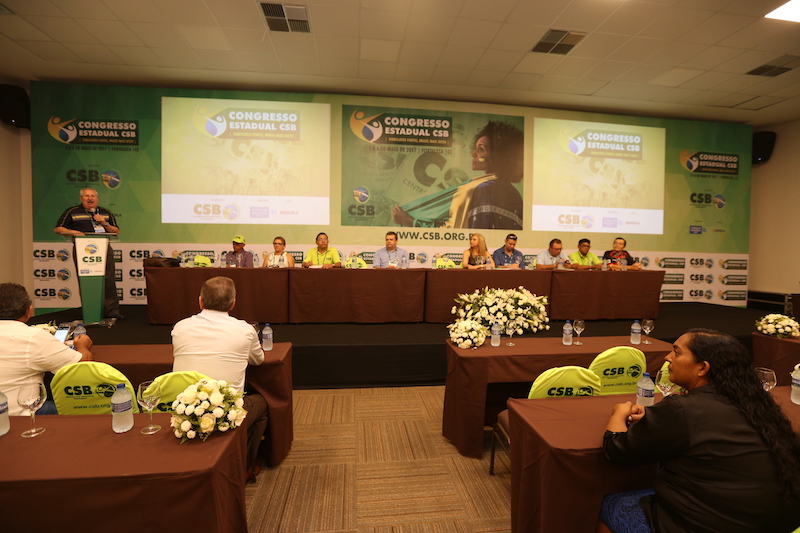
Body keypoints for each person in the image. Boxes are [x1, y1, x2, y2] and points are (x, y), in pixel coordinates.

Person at [599, 329, 800, 533]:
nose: (668, 357)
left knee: (610, 504)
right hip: (775, 522)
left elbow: (618, 450)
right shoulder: (759, 406)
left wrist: (619, 413)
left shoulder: (683, 409)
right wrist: (657, 418)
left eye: (676, 352)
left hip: (713, 524)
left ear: (702, 368)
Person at [171, 276, 268, 481]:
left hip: (184, 408)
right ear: (233, 304)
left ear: (200, 301)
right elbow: (258, 360)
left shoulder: (180, 327)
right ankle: (246, 466)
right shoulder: (245, 330)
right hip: (226, 412)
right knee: (262, 404)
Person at [392, 121, 524, 229]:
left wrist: (410, 221)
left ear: (498, 156)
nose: (473, 153)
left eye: (481, 149)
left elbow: (452, 232)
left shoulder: (479, 188)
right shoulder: (514, 194)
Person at [0, 283, 93, 416]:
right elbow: (81, 366)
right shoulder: (33, 337)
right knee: (82, 407)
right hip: (21, 415)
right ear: (29, 311)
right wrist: (83, 346)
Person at [54, 187, 123, 319]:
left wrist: (104, 222)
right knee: (87, 282)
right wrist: (73, 232)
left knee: (109, 281)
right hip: (82, 250)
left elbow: (116, 231)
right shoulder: (72, 212)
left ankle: (111, 313)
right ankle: (91, 313)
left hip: (104, 249)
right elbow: (58, 229)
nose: (90, 198)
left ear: (97, 199)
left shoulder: (105, 212)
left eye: (93, 196)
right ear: (81, 198)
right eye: (86, 196)